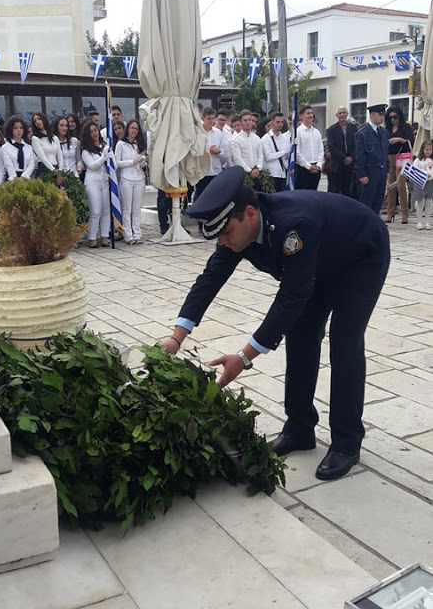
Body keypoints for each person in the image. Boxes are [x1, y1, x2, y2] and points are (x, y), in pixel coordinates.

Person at [162, 167, 390, 481]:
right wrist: (175, 339)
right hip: (317, 262)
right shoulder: (237, 233)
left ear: (250, 213)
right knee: (300, 337)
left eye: (226, 233)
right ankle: (299, 428)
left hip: (360, 256)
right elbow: (210, 279)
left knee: (345, 342)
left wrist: (242, 359)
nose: (224, 242)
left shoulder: (292, 226)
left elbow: (291, 298)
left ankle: (347, 442)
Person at [79, 120, 111, 249]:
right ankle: (92, 238)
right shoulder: (86, 151)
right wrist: (104, 157)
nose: (94, 133)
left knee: (105, 210)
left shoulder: (105, 146)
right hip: (92, 182)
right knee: (96, 211)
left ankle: (104, 237)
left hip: (105, 181)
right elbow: (92, 166)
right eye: (91, 132)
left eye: (95, 130)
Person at [115, 119, 147, 245]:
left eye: (136, 129)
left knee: (137, 209)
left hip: (139, 178)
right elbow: (117, 163)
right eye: (132, 128)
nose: (134, 131)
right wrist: (132, 162)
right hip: (126, 178)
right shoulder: (121, 144)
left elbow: (143, 162)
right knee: (126, 208)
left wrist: (142, 160)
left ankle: (137, 234)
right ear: (128, 129)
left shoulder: (140, 144)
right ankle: (128, 235)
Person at [354, 103, 389, 215]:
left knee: (378, 201)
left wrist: (387, 170)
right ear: (372, 115)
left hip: (381, 171)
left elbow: (385, 152)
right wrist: (361, 174)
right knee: (367, 202)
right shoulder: (362, 134)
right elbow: (359, 155)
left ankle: (374, 225)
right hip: (370, 171)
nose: (382, 117)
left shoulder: (384, 132)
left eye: (383, 115)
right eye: (380, 115)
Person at [384, 106, 414, 224]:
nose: (392, 120)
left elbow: (411, 142)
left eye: (395, 117)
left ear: (399, 116)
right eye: (390, 118)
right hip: (389, 157)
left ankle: (404, 213)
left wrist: (400, 140)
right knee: (390, 186)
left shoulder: (405, 127)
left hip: (402, 158)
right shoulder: (387, 129)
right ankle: (390, 212)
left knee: (401, 186)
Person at [326, 106, 357, 196]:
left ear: (347, 114)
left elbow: (357, 145)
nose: (342, 115)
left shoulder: (353, 128)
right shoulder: (331, 130)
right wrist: (344, 158)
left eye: (344, 112)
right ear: (336, 115)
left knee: (348, 192)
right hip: (337, 166)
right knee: (334, 193)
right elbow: (331, 147)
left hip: (350, 166)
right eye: (340, 113)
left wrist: (351, 157)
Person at [194, 107, 223, 201]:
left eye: (213, 118)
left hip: (216, 170)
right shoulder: (198, 133)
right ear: (203, 119)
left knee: (215, 197)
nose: (211, 121)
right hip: (203, 171)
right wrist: (208, 151)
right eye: (209, 118)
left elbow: (225, 150)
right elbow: (194, 150)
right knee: (202, 197)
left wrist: (219, 151)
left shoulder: (218, 133)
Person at [229, 109, 263, 182]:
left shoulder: (257, 138)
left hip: (257, 173)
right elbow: (237, 158)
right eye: (245, 120)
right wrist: (249, 171)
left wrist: (258, 168)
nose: (248, 122)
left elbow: (260, 155)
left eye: (249, 120)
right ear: (241, 123)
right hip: (243, 174)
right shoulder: (235, 139)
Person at [295, 105, 324, 190]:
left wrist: (318, 165)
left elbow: (320, 150)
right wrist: (308, 166)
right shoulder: (298, 132)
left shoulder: (317, 132)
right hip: (303, 169)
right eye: (308, 113)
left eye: (311, 113)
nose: (310, 115)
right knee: (303, 195)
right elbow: (297, 151)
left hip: (316, 169)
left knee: (314, 195)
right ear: (301, 116)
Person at [261, 112, 291, 192]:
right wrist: (283, 152)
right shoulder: (266, 139)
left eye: (281, 122)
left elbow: (286, 157)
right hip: (271, 173)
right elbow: (268, 156)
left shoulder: (284, 138)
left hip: (282, 173)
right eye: (278, 122)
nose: (280, 124)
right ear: (272, 122)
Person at [31, 112, 63, 177]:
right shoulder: (35, 139)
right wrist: (54, 171)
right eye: (35, 121)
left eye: (39, 119)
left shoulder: (54, 138)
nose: (37, 122)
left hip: (56, 168)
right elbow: (43, 159)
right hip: (44, 169)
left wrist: (60, 171)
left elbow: (60, 158)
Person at [2, 115, 35, 180]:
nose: (19, 130)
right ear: (10, 129)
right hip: (11, 179)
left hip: (26, 178)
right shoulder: (5, 147)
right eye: (15, 128)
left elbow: (31, 165)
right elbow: (8, 165)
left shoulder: (28, 147)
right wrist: (15, 179)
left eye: (21, 128)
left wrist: (23, 177)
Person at [412, 140, 433, 230]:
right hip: (420, 183)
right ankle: (419, 221)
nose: (428, 151)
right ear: (422, 149)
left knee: (428, 203)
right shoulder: (417, 160)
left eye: (430, 150)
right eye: (426, 149)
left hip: (430, 183)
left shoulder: (431, 160)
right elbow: (414, 171)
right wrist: (424, 174)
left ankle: (427, 222)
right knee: (421, 203)